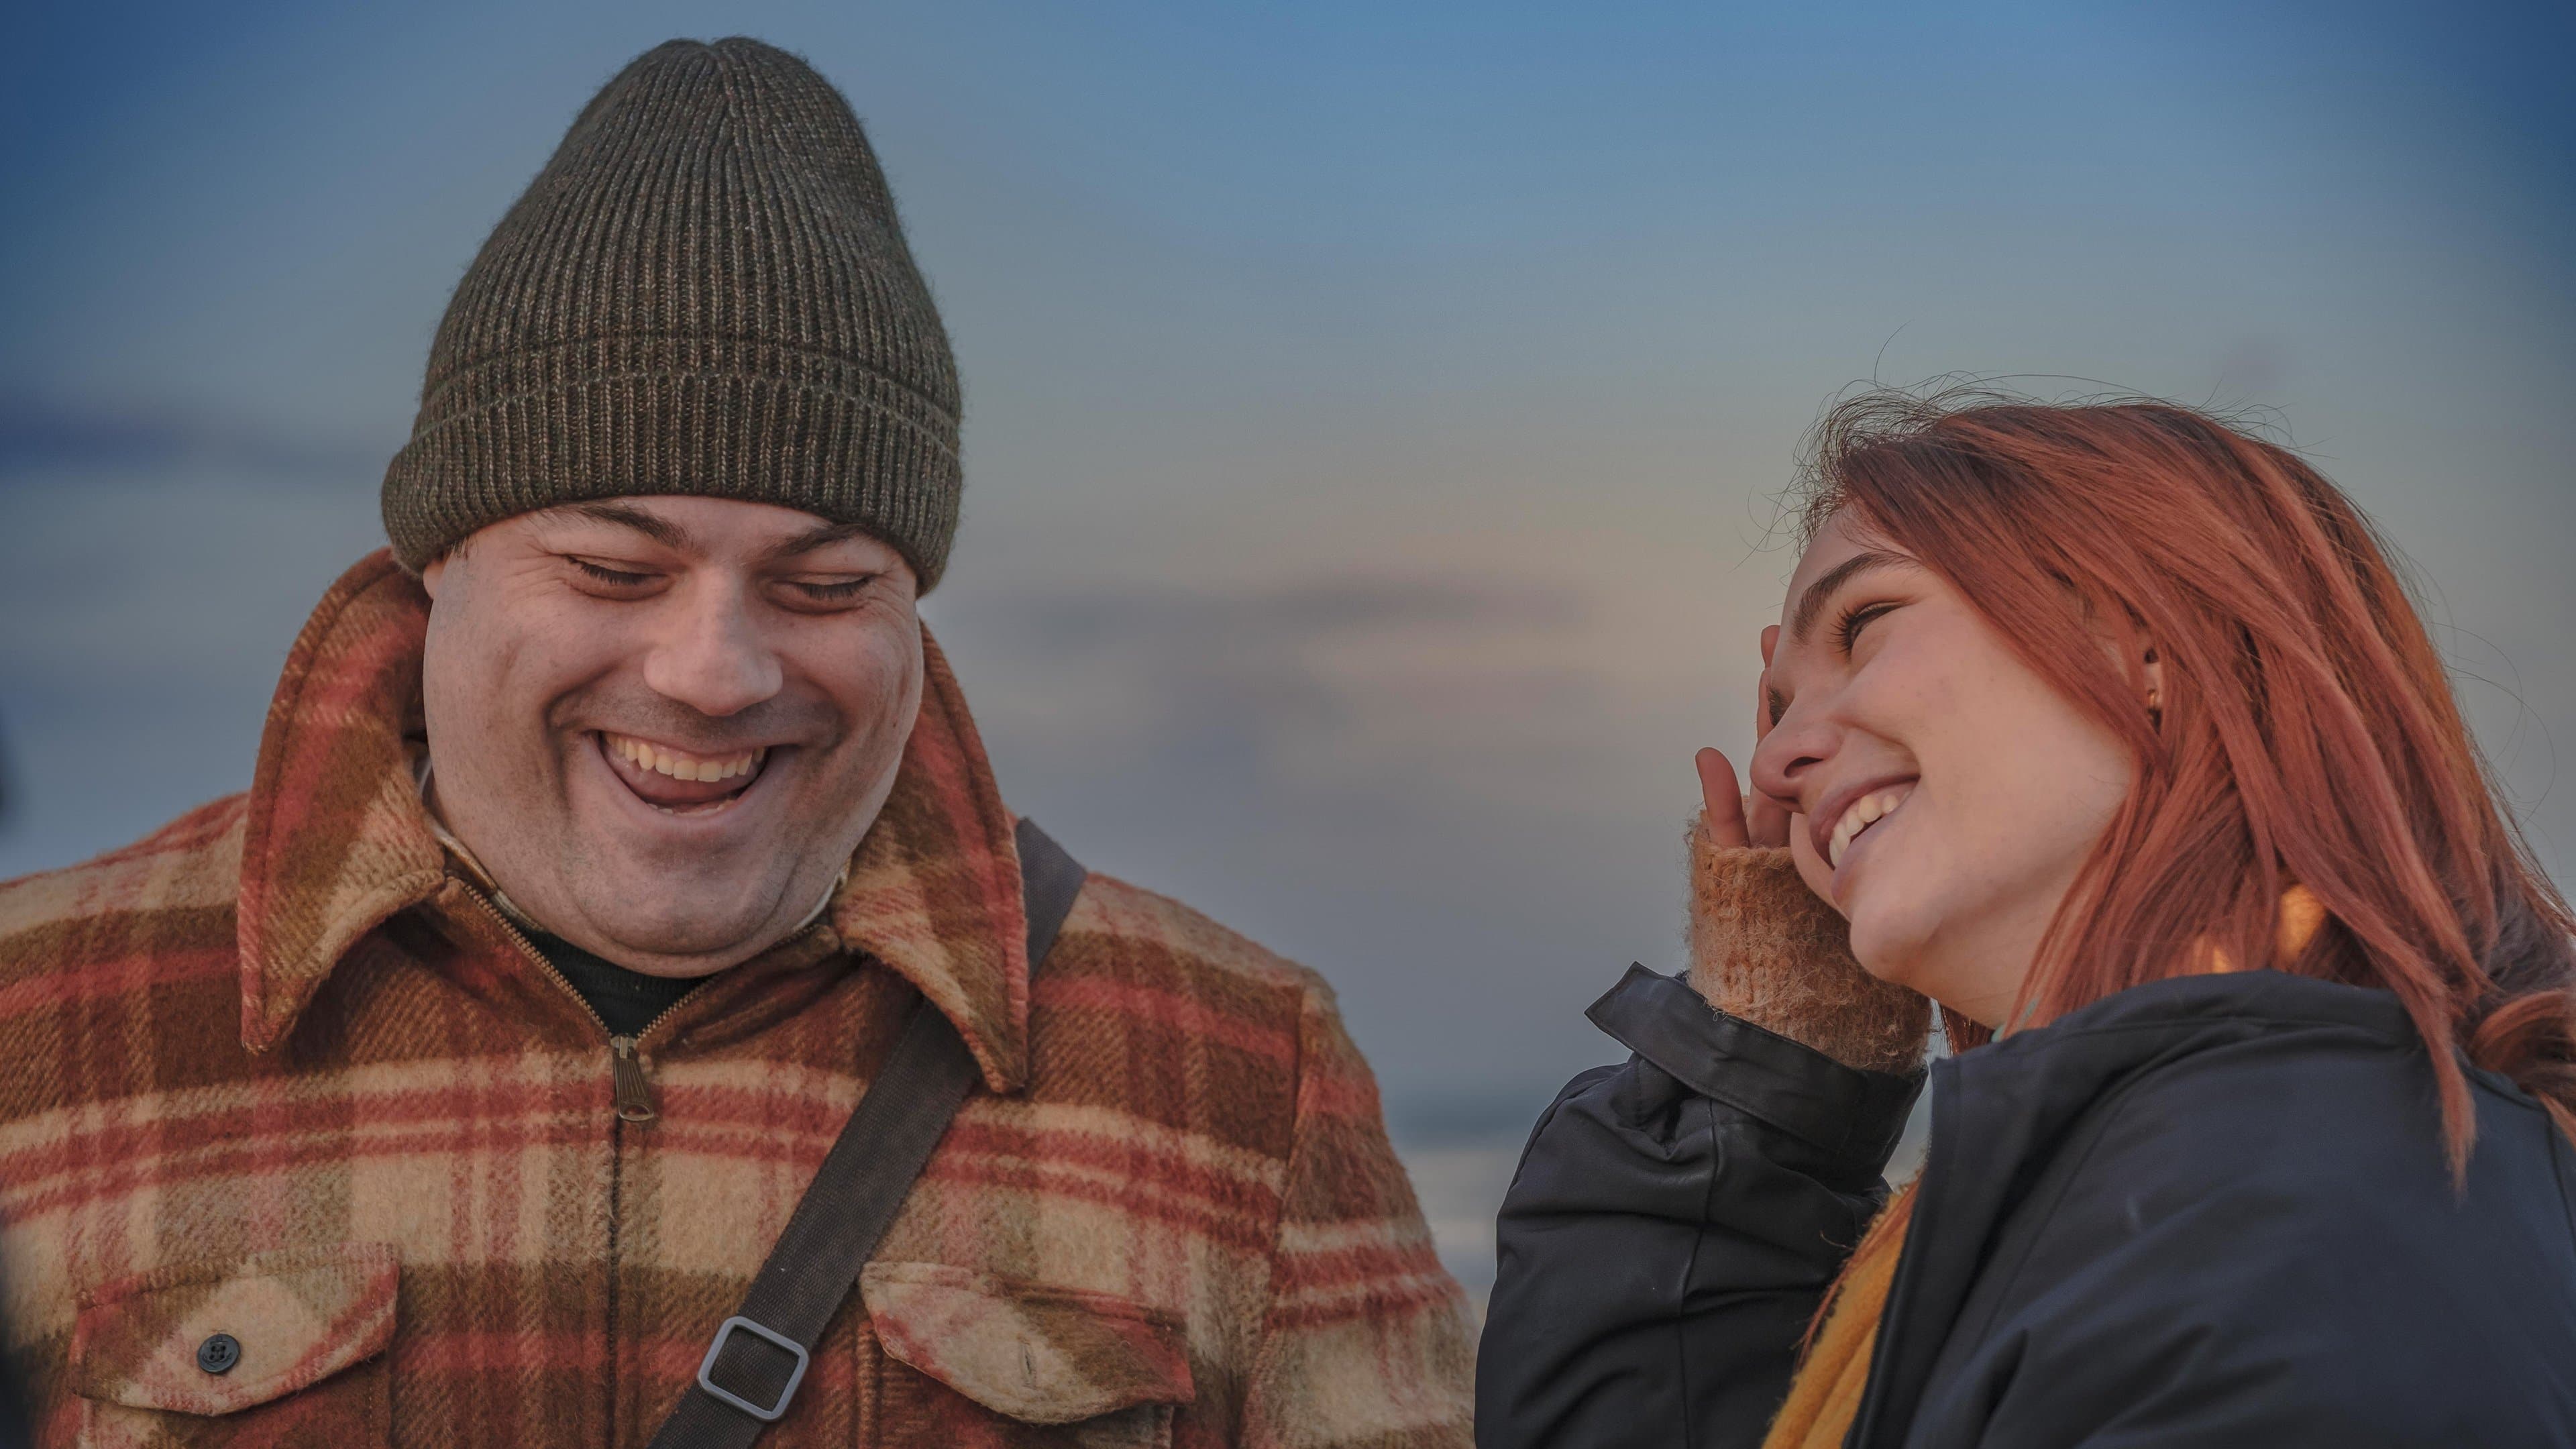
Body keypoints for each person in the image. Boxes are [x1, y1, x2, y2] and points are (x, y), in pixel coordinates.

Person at [0, 38, 1473, 1446]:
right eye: (610, 572)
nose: (714, 673)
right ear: (437, 558)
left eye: (825, 587)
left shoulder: (1241, 1077)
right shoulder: (35, 1021)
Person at [1474, 390, 2576, 1447]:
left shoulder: (2311, 1221)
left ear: (2151, 642)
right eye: (1779, 709)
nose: (1775, 760)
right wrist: (1771, 1065)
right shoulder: (2178, 1178)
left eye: (1864, 626)